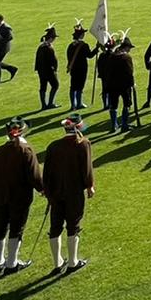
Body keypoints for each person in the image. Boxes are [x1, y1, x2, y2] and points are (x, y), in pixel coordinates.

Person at [0, 117, 42, 276]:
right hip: (20, 197)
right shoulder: (26, 150)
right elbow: (34, 175)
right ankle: (12, 263)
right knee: (16, 229)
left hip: (0, 196)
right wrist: (43, 189)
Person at [42, 114, 95, 275]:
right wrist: (89, 186)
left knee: (55, 226)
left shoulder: (53, 146)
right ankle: (72, 262)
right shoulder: (83, 144)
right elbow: (87, 169)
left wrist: (47, 190)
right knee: (73, 225)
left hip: (56, 192)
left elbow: (47, 171)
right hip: (74, 191)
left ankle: (57, 263)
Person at [65, 21, 97, 111]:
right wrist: (96, 49)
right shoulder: (83, 45)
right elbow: (89, 55)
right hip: (82, 69)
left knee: (73, 86)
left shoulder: (70, 46)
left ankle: (73, 105)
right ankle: (79, 103)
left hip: (73, 69)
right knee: (80, 86)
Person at [35, 25, 60, 110]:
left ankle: (44, 105)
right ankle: (50, 103)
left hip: (41, 71)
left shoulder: (41, 46)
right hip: (49, 70)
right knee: (55, 85)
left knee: (43, 87)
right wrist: (55, 69)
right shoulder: (49, 48)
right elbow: (53, 61)